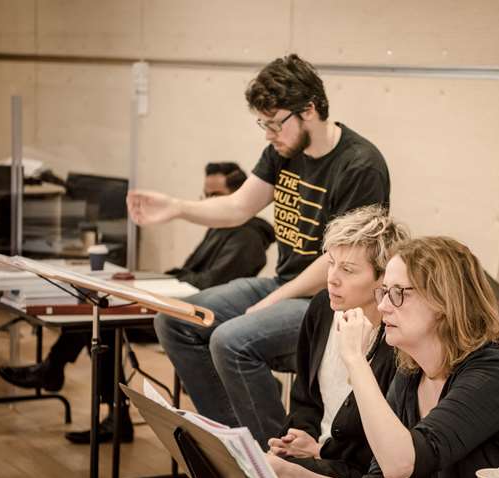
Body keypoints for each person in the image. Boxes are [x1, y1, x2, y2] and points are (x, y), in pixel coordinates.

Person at [128, 54, 390, 448]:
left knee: (231, 340)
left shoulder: (360, 165)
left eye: (274, 122)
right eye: (262, 123)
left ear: (310, 109)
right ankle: (234, 445)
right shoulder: (284, 150)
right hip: (283, 284)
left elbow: (342, 260)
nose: (268, 133)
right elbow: (238, 206)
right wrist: (178, 207)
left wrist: (275, 299)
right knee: (176, 321)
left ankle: (279, 454)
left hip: (331, 301)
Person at [267, 237, 499, 478]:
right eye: (383, 291)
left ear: (443, 303)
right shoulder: (410, 372)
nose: (384, 305)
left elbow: (401, 463)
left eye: (398, 293)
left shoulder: (498, 375)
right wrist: (284, 474)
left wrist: (355, 360)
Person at [0, 161, 274, 443]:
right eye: (206, 195)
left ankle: (78, 387)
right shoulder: (221, 228)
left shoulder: (248, 237)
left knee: (100, 318)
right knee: (97, 311)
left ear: (238, 194)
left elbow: (207, 284)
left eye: (215, 196)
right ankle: (86, 393)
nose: (208, 203)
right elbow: (192, 275)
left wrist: (159, 280)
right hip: (177, 305)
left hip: (193, 319)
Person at [268, 205, 408, 478]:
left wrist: (320, 451)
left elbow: (383, 442)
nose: (332, 277)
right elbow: (304, 396)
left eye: (348, 269)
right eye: (331, 263)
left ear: (382, 278)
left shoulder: (397, 339)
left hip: (362, 472)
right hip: (315, 453)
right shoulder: (321, 308)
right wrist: (296, 436)